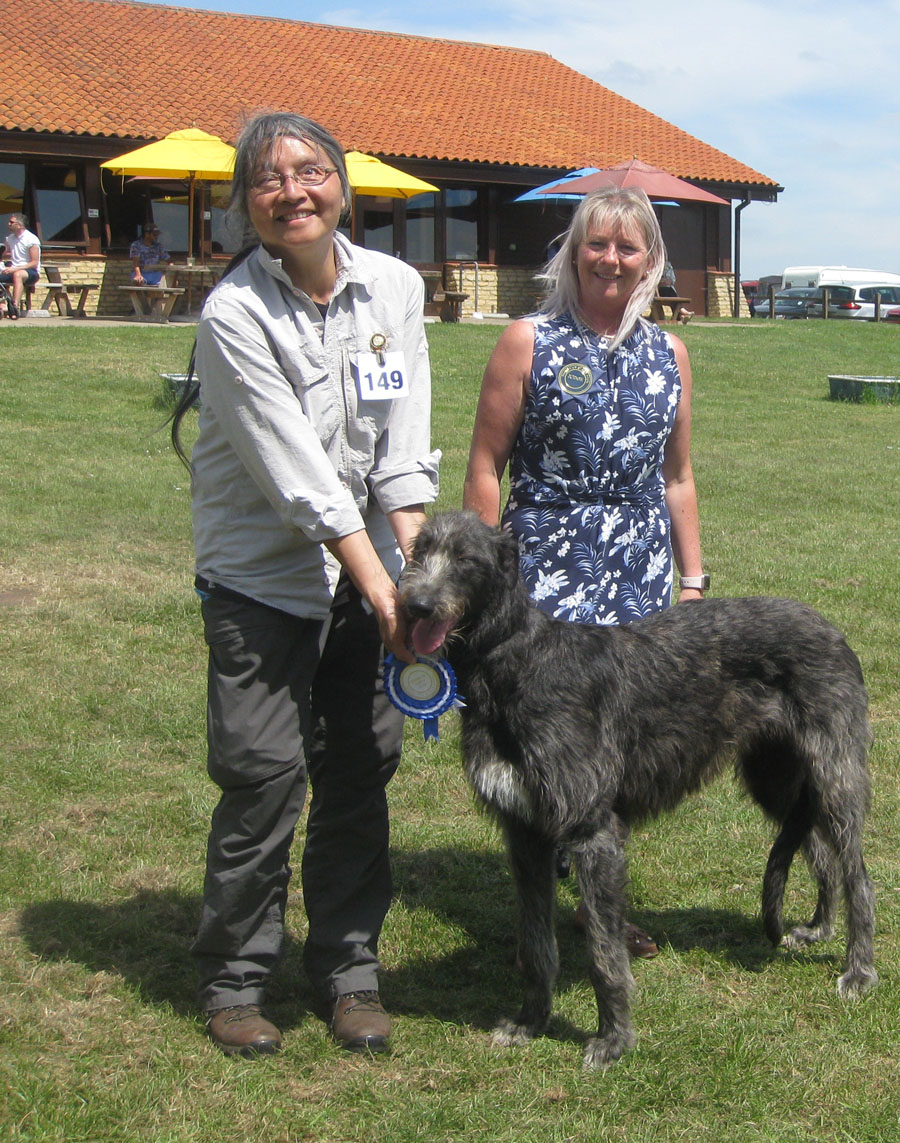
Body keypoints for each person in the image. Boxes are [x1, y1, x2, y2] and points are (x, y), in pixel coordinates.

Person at [170, 111, 439, 1059]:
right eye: (269, 179)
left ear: (341, 186)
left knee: (363, 770)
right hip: (262, 576)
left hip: (366, 565)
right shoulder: (233, 314)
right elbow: (302, 481)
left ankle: (349, 972)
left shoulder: (397, 289)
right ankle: (237, 979)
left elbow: (402, 456)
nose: (293, 191)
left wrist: (420, 582)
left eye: (310, 170)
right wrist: (382, 589)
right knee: (262, 776)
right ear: (248, 203)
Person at [463, 186, 707, 958]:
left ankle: (594, 899)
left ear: (651, 261)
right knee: (543, 730)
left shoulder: (669, 354)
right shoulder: (526, 340)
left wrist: (693, 580)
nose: (610, 259)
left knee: (620, 736)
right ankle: (547, 889)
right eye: (596, 243)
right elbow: (485, 464)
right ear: (573, 252)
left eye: (627, 247)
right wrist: (480, 574)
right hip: (544, 561)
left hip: (638, 564)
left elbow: (678, 476)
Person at [1, 213, 41, 314]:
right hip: (14, 270)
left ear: (19, 225)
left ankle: (14, 306)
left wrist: (14, 269)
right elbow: (2, 252)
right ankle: (3, 303)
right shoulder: (11, 238)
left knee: (17, 274)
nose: (8, 224)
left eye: (11, 222)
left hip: (30, 272)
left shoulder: (31, 239)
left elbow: (34, 263)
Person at [660, 259, 694, 324]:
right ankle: (683, 312)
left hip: (668, 290)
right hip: (658, 291)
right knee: (672, 294)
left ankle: (682, 317)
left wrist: (667, 281)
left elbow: (673, 279)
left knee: (673, 298)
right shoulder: (653, 264)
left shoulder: (668, 264)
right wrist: (661, 281)